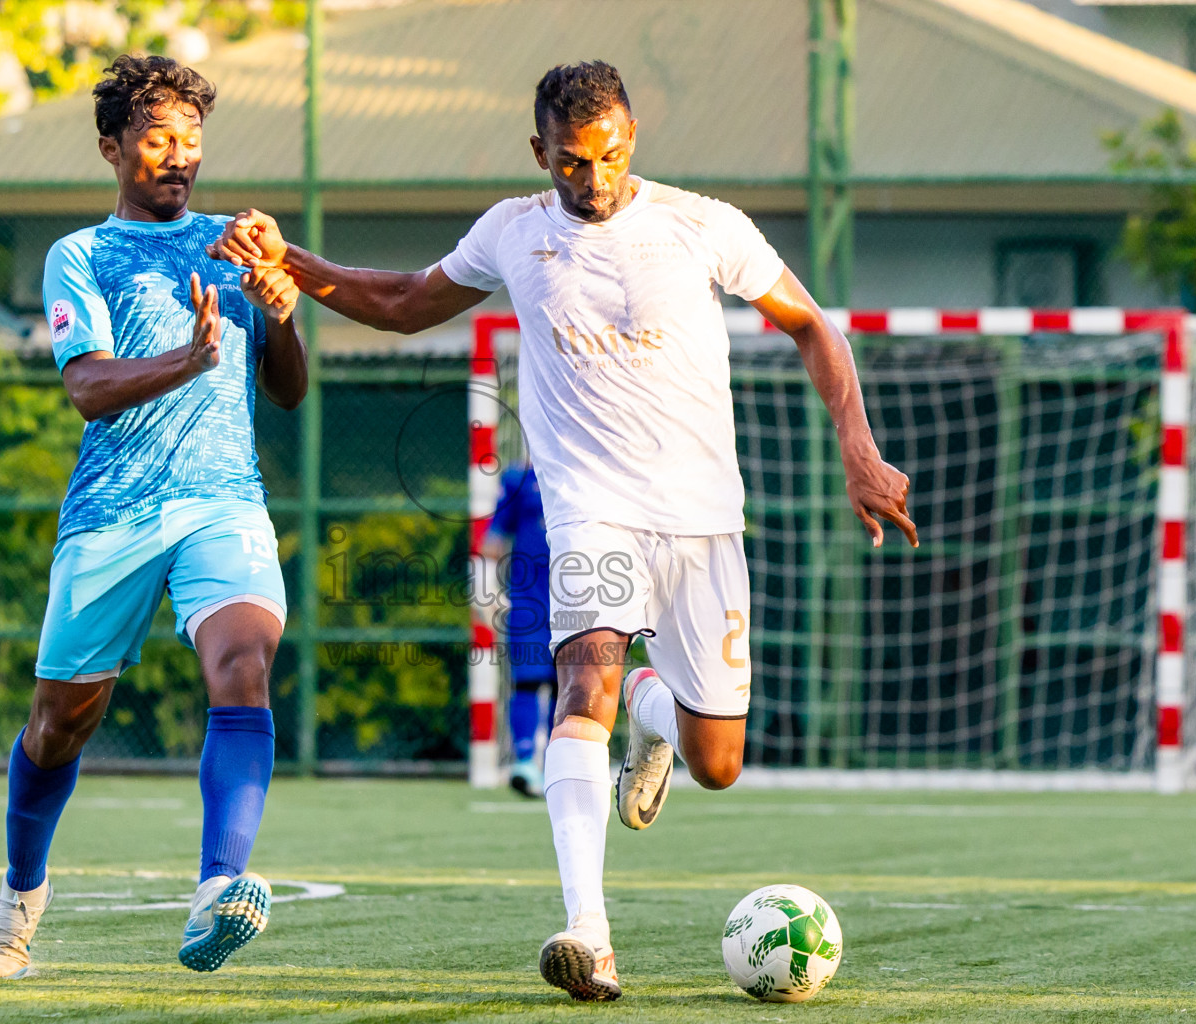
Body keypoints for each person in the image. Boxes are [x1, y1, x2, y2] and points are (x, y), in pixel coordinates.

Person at [211, 60, 917, 1001]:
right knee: (584, 676)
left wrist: (859, 451)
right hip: (590, 509)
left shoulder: (703, 225)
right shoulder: (513, 231)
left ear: (633, 138)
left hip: (705, 522)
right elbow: (403, 302)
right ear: (539, 151)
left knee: (719, 763)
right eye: (573, 163)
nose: (594, 181)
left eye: (612, 156)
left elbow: (813, 327)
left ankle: (652, 714)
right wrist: (290, 261)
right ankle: (589, 933)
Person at [0, 55, 307, 980]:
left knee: (245, 666)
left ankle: (217, 890)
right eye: (158, 139)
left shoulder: (235, 248)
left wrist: (279, 316)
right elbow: (86, 389)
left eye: (191, 140)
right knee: (58, 725)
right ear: (113, 147)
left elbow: (287, 391)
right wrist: (191, 359)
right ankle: (20, 892)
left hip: (224, 502)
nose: (179, 156)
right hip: (112, 515)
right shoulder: (77, 255)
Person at [480, 461, 556, 797]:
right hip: (528, 601)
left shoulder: (587, 468)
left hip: (581, 600)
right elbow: (493, 540)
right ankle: (525, 763)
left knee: (571, 687)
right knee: (526, 680)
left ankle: (560, 765)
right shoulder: (519, 479)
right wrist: (486, 591)